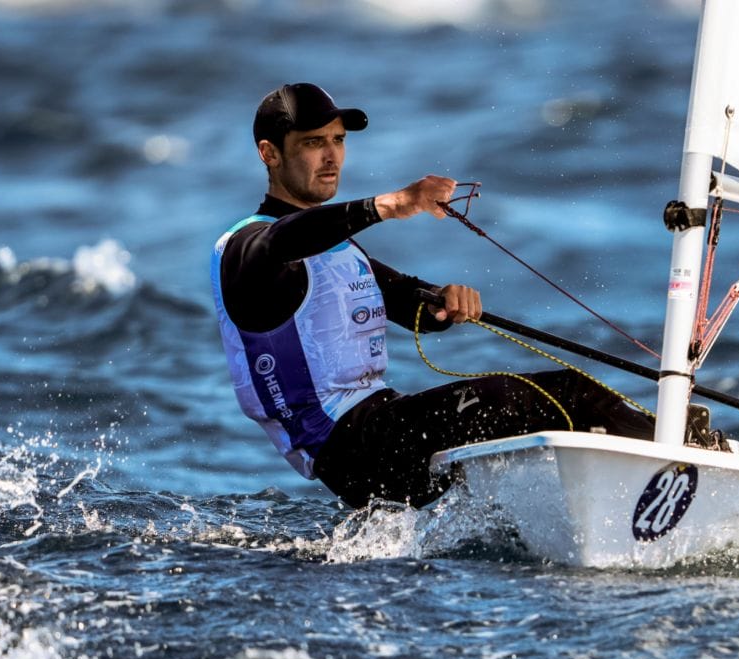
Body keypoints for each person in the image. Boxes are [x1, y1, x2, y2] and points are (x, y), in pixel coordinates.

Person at [211, 83, 655, 509]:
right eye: (312, 143)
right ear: (269, 153)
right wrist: (389, 204)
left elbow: (409, 304)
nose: (331, 157)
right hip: (354, 446)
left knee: (560, 408)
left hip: (385, 431)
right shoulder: (246, 250)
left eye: (339, 140)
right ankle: (672, 465)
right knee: (554, 394)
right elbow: (282, 241)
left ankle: (646, 477)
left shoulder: (338, 247)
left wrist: (443, 301)